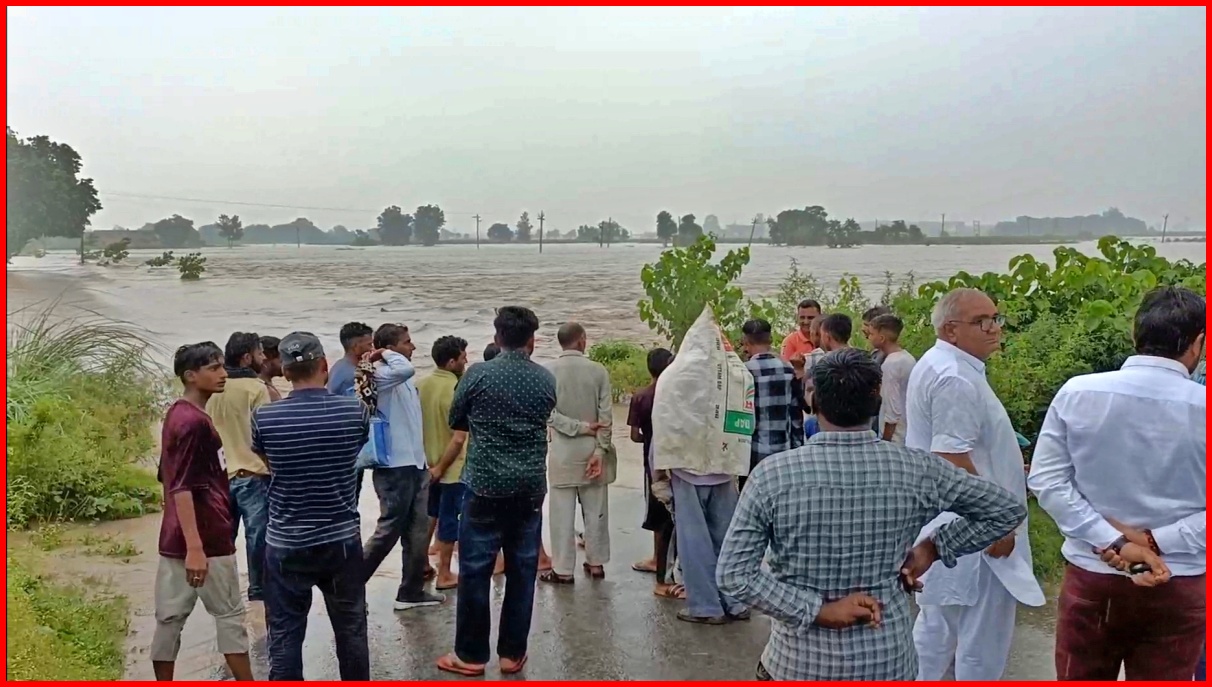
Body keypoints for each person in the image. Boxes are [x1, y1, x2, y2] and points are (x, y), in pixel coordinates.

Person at [716, 348, 1027, 681]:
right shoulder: (918, 470)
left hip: (797, 664)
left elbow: (734, 574)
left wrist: (817, 610)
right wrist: (934, 548)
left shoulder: (772, 475)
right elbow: (1007, 510)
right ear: (876, 402)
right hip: (887, 663)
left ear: (814, 401)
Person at [1028, 286, 1205, 681]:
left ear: (1134, 334)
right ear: (1198, 343)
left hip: (1094, 575)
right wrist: (1154, 543)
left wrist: (1117, 542)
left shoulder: (1078, 392)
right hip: (1179, 582)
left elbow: (1048, 482)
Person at [906, 288, 1045, 681]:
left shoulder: (942, 364)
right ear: (951, 329)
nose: (994, 328)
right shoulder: (954, 378)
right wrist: (992, 523)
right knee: (980, 644)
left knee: (936, 635)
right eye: (982, 322)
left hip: (947, 528)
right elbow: (950, 458)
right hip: (972, 534)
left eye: (996, 318)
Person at [436, 306, 556, 677]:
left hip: (484, 486)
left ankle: (470, 656)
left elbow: (456, 419)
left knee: (474, 570)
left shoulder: (478, 375)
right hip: (530, 487)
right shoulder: (545, 380)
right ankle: (511, 654)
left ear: (497, 337)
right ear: (532, 341)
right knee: (522, 570)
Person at [251, 332, 370, 681]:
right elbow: (355, 450)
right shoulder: (354, 411)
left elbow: (267, 461)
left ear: (285, 372)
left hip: (287, 541)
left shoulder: (265, 419)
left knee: (286, 634)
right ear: (324, 365)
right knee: (351, 629)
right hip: (341, 539)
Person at [152, 342, 252, 681]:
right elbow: (180, 486)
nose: (223, 374)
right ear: (190, 376)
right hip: (206, 539)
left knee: (169, 619)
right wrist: (196, 547)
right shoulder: (193, 423)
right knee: (229, 618)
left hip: (175, 537)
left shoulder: (178, 414)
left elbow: (165, 475)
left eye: (222, 366)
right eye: (213, 368)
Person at [360, 323, 445, 610]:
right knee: (389, 530)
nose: (413, 347)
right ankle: (350, 583)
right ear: (392, 347)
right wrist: (383, 352)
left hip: (414, 462)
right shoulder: (382, 374)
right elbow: (404, 369)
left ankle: (410, 591)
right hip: (394, 465)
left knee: (418, 530)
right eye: (407, 342)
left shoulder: (401, 377)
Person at [542, 322, 613, 584]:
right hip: (592, 449)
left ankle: (562, 570)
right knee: (596, 511)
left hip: (562, 450)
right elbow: (606, 418)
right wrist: (600, 449)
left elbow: (547, 414)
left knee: (561, 514)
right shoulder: (598, 371)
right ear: (582, 340)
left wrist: (575, 427)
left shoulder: (547, 372)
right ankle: (596, 563)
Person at [205, 332, 271, 603]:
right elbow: (264, 436)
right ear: (247, 357)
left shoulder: (212, 390)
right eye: (259, 353)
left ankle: (221, 593)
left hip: (220, 477)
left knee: (223, 539)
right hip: (253, 475)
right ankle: (258, 592)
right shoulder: (256, 389)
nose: (264, 357)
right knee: (258, 540)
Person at [417, 335, 471, 592]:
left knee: (430, 514)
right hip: (452, 468)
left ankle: (421, 563)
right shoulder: (457, 390)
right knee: (450, 520)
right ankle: (445, 573)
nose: (466, 361)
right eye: (462, 357)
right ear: (451, 362)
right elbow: (459, 438)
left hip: (427, 463)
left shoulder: (421, 385)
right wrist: (442, 467)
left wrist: (432, 466)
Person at [627, 347, 680, 598]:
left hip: (652, 462)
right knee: (674, 513)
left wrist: (648, 437)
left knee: (657, 512)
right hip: (676, 462)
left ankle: (657, 560)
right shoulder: (675, 394)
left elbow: (634, 435)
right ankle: (669, 563)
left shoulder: (641, 396)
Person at [740, 319, 804, 492]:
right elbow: (796, 415)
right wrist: (798, 449)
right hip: (783, 454)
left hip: (753, 455)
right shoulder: (788, 369)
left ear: (746, 342)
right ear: (770, 340)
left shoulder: (743, 372)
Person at [865, 314, 916, 445]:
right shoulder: (908, 358)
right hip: (910, 430)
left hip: (896, 437)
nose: (868, 338)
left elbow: (892, 408)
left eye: (871, 334)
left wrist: (885, 440)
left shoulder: (890, 365)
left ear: (881, 338)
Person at [327, 322, 374, 396]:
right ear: (356, 346)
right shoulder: (353, 376)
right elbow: (355, 405)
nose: (372, 349)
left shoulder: (338, 365)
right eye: (369, 344)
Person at [780, 298, 821, 364]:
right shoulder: (790, 341)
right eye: (802, 317)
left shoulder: (826, 337)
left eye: (810, 318)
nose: (806, 322)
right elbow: (786, 367)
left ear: (819, 317)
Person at [258, 335, 284, 402]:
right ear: (266, 359)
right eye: (281, 360)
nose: (285, 364)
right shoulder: (265, 390)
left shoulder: (261, 385)